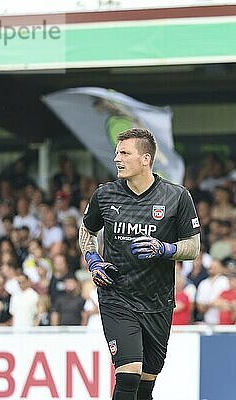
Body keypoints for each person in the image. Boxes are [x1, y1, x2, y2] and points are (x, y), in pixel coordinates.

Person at [78, 128, 201, 400]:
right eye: (116, 152)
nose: (117, 158)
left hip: (158, 301)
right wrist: (93, 259)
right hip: (117, 296)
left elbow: (193, 246)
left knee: (146, 385)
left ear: (145, 159)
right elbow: (87, 231)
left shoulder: (176, 197)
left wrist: (164, 248)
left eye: (124, 153)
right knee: (129, 373)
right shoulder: (105, 195)